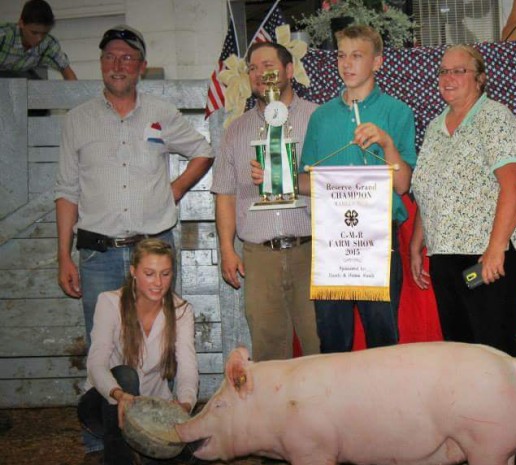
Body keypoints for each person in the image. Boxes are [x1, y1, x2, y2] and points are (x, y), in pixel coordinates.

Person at [53, 24, 213, 464]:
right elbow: (67, 190)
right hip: (98, 252)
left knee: (162, 345)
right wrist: (63, 253)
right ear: (101, 63)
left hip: (152, 248)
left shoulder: (161, 113)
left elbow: (203, 149)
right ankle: (102, 444)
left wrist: (176, 189)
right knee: (102, 343)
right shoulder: (78, 119)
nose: (118, 64)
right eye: (110, 56)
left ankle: (162, 424)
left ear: (140, 67)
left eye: (127, 58)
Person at [409, 44, 516, 465]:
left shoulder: (495, 116)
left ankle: (514, 450)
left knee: (497, 354)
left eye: (459, 70)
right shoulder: (434, 127)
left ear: (479, 77)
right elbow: (429, 189)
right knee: (463, 356)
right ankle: (476, 448)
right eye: (443, 71)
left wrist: (495, 249)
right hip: (446, 255)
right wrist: (417, 243)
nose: (448, 77)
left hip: (490, 256)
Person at [296, 25, 417, 353]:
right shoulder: (321, 117)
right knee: (332, 340)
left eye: (357, 56)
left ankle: (386, 404)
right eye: (341, 55)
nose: (346, 64)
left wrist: (387, 142)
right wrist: (276, 176)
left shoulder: (398, 112)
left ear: (377, 62)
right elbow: (305, 181)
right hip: (332, 239)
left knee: (382, 340)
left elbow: (403, 183)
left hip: (379, 237)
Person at [212, 41, 320, 362]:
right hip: (258, 257)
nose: (260, 74)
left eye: (268, 65)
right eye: (253, 68)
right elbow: (225, 194)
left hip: (312, 252)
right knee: (269, 353)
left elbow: (335, 181)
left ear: (289, 71)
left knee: (320, 348)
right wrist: (227, 248)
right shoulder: (236, 130)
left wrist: (288, 177)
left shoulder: (319, 118)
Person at [77, 239, 198, 465]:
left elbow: (188, 367)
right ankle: (118, 456)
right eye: (149, 273)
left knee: (198, 452)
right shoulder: (110, 302)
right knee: (125, 375)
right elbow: (96, 365)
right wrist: (120, 395)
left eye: (165, 274)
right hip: (106, 404)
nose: (158, 283)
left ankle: (139, 453)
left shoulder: (181, 310)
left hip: (150, 411)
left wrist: (184, 404)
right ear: (133, 271)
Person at [0, 0, 77, 80]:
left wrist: (75, 91)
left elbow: (68, 72)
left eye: (44, 33)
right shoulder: (3, 35)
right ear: (21, 23)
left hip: (22, 74)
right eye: (34, 33)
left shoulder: (48, 44)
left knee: (38, 87)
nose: (39, 39)